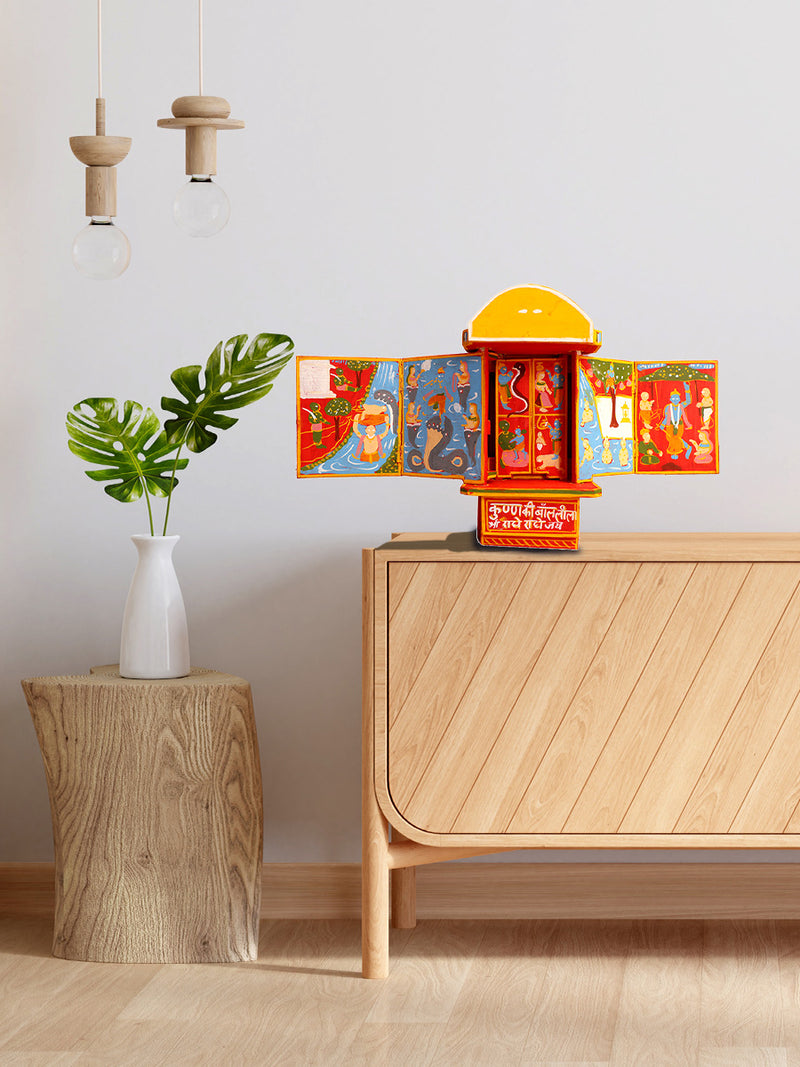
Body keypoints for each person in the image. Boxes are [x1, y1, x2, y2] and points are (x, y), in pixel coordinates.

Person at [659, 383, 693, 459]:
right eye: (673, 398)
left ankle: (685, 449)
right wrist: (662, 424)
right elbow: (666, 417)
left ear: (679, 399)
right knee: (670, 438)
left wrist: (687, 390)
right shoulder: (668, 407)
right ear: (670, 399)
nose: (675, 400)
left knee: (677, 438)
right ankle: (680, 450)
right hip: (669, 424)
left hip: (679, 424)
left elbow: (688, 401)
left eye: (677, 398)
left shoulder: (681, 405)